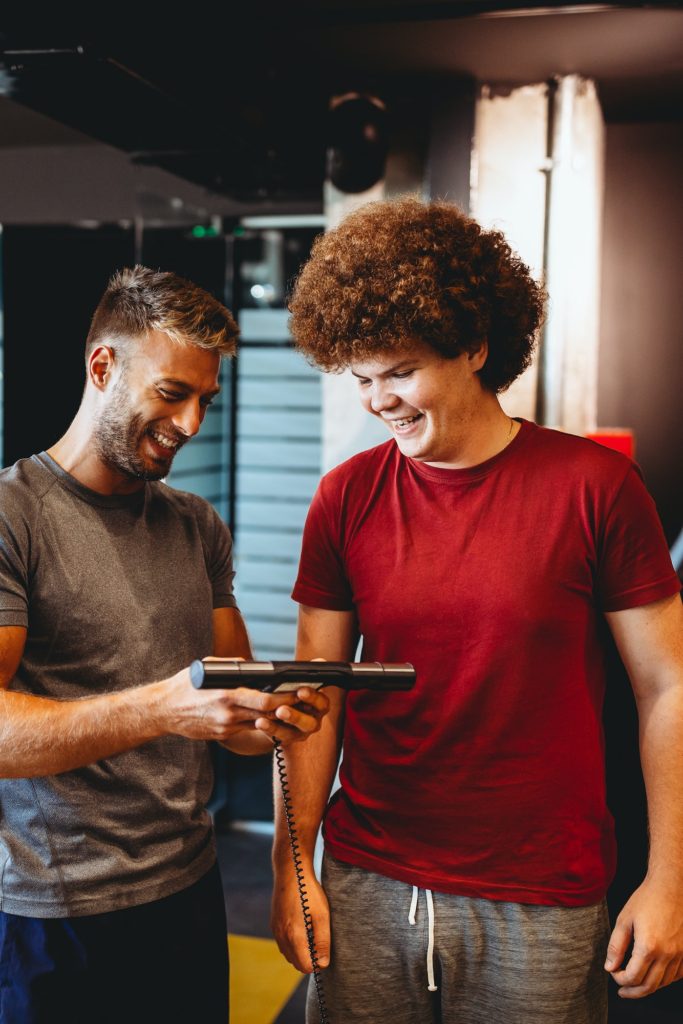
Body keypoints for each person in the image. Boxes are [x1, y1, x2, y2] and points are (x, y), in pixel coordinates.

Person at [270, 198, 683, 1023]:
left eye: (399, 371)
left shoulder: (594, 490)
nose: (378, 401)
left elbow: (667, 687)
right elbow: (316, 695)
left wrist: (670, 876)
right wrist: (293, 869)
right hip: (367, 879)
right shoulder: (344, 498)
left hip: (540, 895)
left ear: (475, 346)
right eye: (360, 378)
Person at [0, 266, 328, 1024]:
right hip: (54, 914)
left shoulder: (194, 525)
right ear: (103, 366)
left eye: (204, 401)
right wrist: (165, 708)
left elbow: (234, 721)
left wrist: (277, 712)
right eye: (172, 394)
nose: (190, 425)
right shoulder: (16, 516)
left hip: (188, 889)